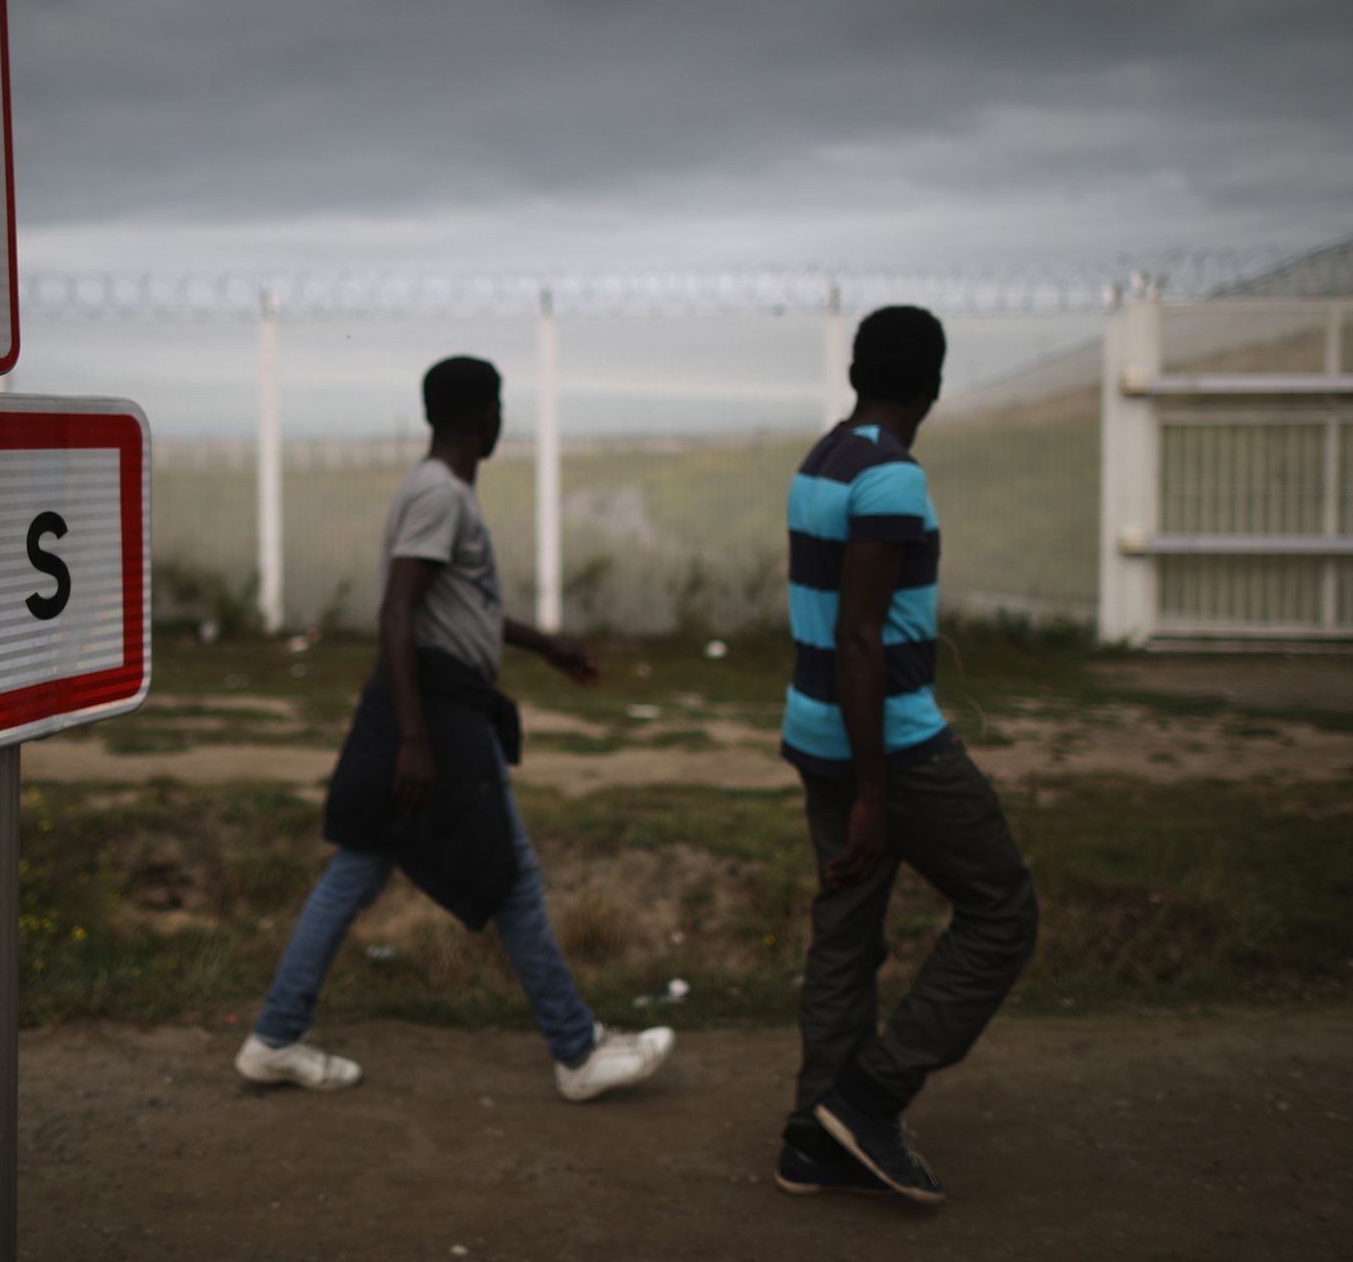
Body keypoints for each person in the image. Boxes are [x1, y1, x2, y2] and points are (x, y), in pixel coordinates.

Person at [235, 355, 675, 1102]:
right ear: (481, 414)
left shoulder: (437, 491)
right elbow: (399, 612)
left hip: (429, 701)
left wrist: (547, 646)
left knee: (358, 868)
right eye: (499, 407)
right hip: (434, 709)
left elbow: (456, 606)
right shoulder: (441, 494)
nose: (503, 421)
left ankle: (275, 1036)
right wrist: (415, 736)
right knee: (512, 873)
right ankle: (578, 1051)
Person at [771, 305, 1039, 1203]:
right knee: (1002, 909)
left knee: (847, 934)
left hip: (815, 727)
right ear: (934, 380)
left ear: (856, 372)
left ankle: (813, 1138)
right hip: (889, 741)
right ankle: (872, 1094)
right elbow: (859, 636)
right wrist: (876, 793)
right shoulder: (892, 477)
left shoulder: (822, 459)